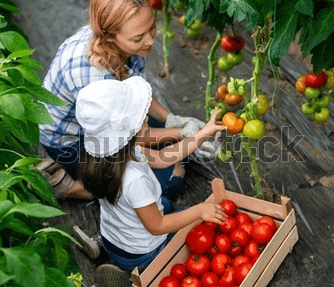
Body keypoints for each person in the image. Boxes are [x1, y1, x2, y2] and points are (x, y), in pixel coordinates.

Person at [37, 0, 214, 201]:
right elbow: (129, 138)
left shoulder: (122, 43)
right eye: (138, 37)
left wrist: (173, 120)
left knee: (175, 148)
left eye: (152, 27)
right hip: (74, 141)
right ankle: (76, 187)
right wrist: (185, 133)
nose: (149, 41)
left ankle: (73, 169)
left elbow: (136, 88)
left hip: (106, 122)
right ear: (110, 36)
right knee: (169, 180)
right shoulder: (95, 77)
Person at [75, 76, 228, 287]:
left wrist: (201, 135)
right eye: (141, 116)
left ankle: (105, 248)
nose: (147, 117)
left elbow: (163, 157)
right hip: (143, 252)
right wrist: (200, 211)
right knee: (196, 224)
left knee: (163, 204)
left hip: (114, 238)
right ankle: (138, 273)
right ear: (129, 131)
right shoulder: (134, 179)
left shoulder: (109, 156)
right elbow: (158, 226)